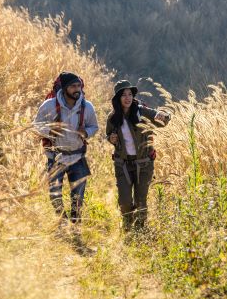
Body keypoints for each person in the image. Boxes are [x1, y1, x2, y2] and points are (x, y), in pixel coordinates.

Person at [34, 72, 99, 224]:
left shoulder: (87, 107)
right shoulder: (49, 105)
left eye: (79, 86)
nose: (77, 89)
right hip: (55, 157)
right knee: (55, 195)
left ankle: (75, 227)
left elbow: (94, 126)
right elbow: (36, 125)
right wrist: (50, 131)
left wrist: (87, 132)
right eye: (73, 86)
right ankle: (62, 223)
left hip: (78, 157)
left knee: (78, 197)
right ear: (64, 88)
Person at [105, 80, 170, 231]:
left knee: (141, 201)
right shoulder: (113, 117)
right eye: (123, 95)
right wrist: (110, 138)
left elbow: (162, 119)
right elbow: (108, 134)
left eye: (130, 94)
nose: (127, 98)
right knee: (125, 201)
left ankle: (140, 230)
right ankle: (127, 228)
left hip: (144, 163)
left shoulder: (141, 111)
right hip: (123, 165)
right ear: (117, 98)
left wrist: (164, 115)